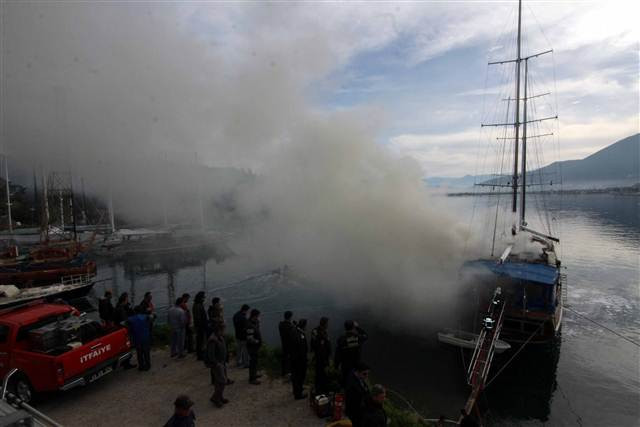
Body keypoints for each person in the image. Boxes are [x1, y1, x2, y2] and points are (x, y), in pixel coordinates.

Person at [335, 320, 368, 385]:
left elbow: (338, 353)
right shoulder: (358, 338)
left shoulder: (341, 339)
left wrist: (336, 365)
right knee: (354, 383)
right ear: (353, 327)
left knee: (345, 383)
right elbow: (366, 336)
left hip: (345, 365)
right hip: (355, 366)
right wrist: (357, 327)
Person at [207, 322, 230, 408]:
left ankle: (219, 397)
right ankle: (216, 398)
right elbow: (211, 355)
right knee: (222, 381)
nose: (224, 331)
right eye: (223, 329)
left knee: (218, 382)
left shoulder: (219, 337)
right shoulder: (213, 340)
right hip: (217, 365)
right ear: (219, 330)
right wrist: (217, 363)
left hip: (221, 363)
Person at [345, 362, 370, 427]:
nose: (367, 376)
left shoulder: (359, 378)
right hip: (355, 413)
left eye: (368, 374)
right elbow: (355, 401)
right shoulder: (352, 385)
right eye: (364, 374)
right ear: (357, 372)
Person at [127, 305, 152, 371]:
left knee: (139, 353)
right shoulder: (146, 317)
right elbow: (153, 317)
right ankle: (148, 365)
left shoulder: (131, 319)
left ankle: (141, 366)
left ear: (135, 311)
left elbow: (125, 323)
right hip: (145, 337)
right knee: (146, 352)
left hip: (137, 338)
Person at [310, 316, 331, 394]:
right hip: (320, 357)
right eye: (327, 323)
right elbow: (314, 344)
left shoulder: (323, 331)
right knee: (320, 374)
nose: (328, 325)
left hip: (323, 357)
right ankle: (319, 390)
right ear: (324, 323)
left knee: (323, 374)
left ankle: (323, 390)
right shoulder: (317, 331)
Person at [290, 318, 308, 400]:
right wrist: (304, 359)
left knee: (296, 375)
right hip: (299, 359)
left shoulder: (294, 331)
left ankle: (297, 390)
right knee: (299, 376)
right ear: (304, 326)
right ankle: (298, 394)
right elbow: (301, 349)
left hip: (294, 358)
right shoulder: (299, 334)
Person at [245, 308, 262, 385]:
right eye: (258, 316)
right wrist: (257, 341)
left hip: (255, 347)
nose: (259, 317)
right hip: (252, 347)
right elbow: (249, 338)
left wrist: (258, 323)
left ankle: (254, 374)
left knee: (255, 361)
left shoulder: (254, 323)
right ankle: (252, 379)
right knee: (253, 362)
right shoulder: (249, 325)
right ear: (254, 316)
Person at [278, 311, 295, 377]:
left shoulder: (281, 324)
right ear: (290, 317)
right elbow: (292, 335)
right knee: (289, 358)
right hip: (290, 345)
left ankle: (283, 372)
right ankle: (288, 372)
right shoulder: (289, 326)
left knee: (284, 358)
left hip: (284, 343)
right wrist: (293, 326)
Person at [192, 292, 208, 361]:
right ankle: (200, 355)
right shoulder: (198, 306)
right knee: (200, 340)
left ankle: (201, 353)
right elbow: (198, 317)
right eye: (203, 297)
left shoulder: (198, 305)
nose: (204, 299)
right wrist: (201, 326)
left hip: (201, 326)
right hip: (200, 326)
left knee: (201, 340)